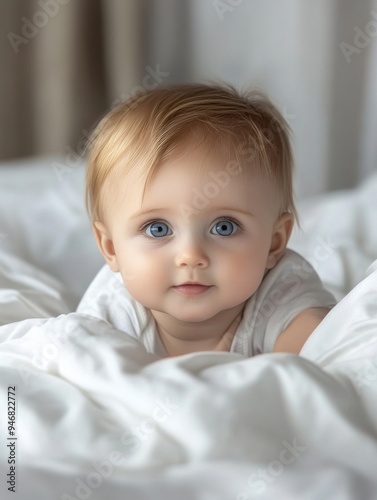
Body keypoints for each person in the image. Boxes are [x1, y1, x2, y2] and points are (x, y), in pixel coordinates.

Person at [77, 83, 336, 357]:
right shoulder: (109, 314)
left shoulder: (281, 294)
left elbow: (311, 364)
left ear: (274, 243)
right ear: (111, 248)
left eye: (224, 227)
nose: (190, 256)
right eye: (157, 228)